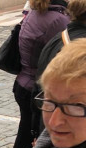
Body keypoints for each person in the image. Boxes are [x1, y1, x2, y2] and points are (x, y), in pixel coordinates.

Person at [0, 0, 69, 148]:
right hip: (36, 89)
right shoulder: (58, 20)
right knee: (32, 142)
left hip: (23, 83)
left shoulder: (35, 13)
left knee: (24, 138)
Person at [32, 0, 86, 135]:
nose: (54, 121)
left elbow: (38, 90)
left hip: (47, 129)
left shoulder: (59, 36)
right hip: (64, 132)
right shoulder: (79, 47)